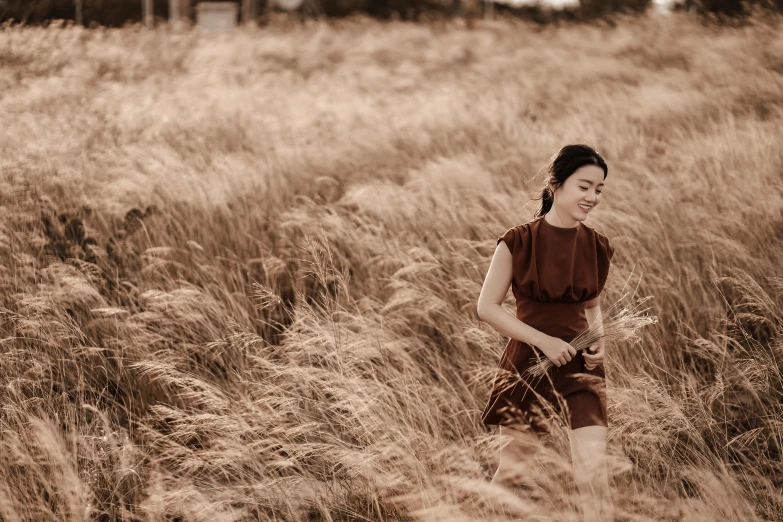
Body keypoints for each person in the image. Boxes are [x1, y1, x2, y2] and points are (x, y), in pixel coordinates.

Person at [476, 144, 616, 522]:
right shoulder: (518, 241)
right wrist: (543, 341)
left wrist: (598, 342)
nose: (593, 197)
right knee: (513, 474)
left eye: (599, 189)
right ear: (556, 184)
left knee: (593, 477)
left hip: (582, 371)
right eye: (584, 186)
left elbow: (591, 305)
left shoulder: (599, 246)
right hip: (527, 366)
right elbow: (486, 307)